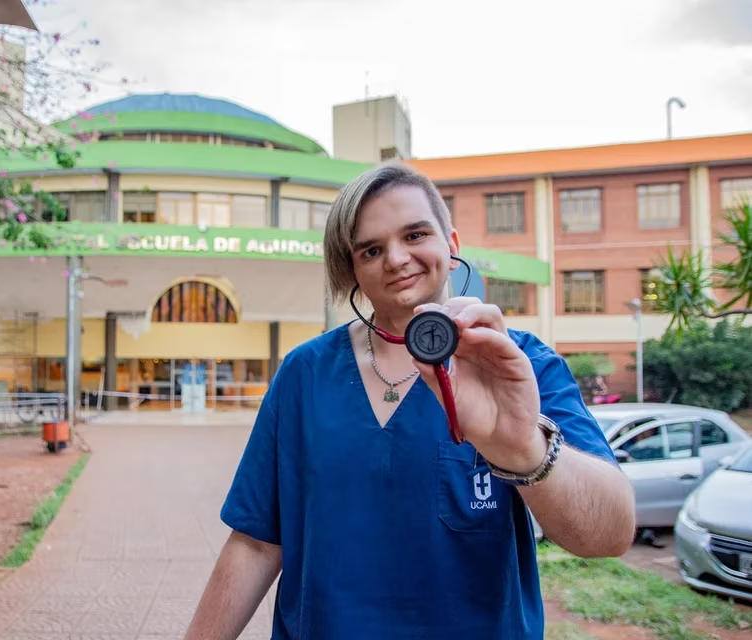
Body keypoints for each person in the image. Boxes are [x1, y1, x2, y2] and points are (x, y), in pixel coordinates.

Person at [183, 163, 636, 640]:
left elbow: (608, 535)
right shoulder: (304, 375)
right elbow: (256, 543)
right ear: (352, 269)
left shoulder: (520, 365)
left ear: (452, 244)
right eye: (371, 249)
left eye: (415, 234)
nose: (396, 259)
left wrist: (524, 449)